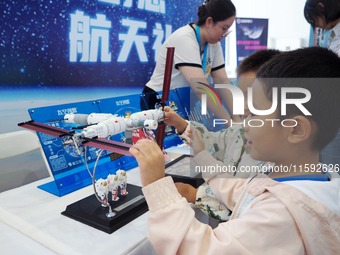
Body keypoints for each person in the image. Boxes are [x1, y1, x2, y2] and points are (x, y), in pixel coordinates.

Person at [130, 47, 340, 254]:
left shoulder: (280, 215)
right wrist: (202, 156)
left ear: (295, 129)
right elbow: (239, 189)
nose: (244, 124)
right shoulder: (297, 179)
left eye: (253, 115)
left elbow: (202, 250)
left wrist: (157, 186)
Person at [167, 49, 282, 221]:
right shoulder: (240, 130)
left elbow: (241, 203)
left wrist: (195, 194)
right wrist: (182, 125)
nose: (243, 106)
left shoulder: (275, 164)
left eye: (252, 98)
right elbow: (215, 141)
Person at [141, 0, 235, 122]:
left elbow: (223, 82)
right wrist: (229, 122)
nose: (225, 34)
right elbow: (201, 88)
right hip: (158, 100)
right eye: (224, 28)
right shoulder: (184, 38)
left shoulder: (214, 45)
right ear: (209, 22)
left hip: (181, 102)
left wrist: (237, 117)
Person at [304, 0, 340, 166]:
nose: (317, 26)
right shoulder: (334, 33)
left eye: (314, 20)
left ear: (321, 7)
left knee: (332, 169)